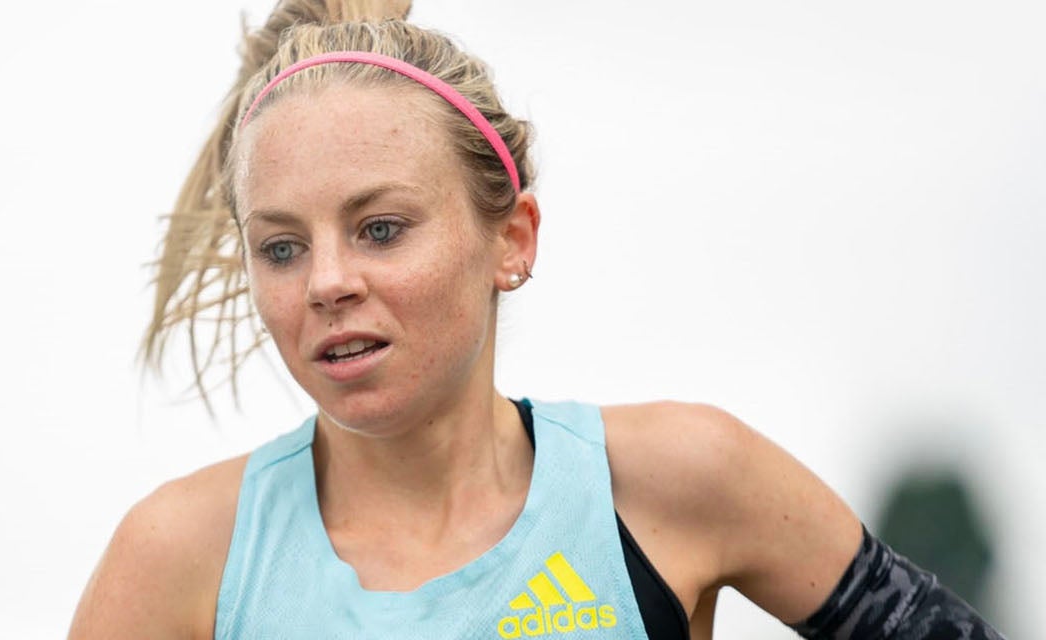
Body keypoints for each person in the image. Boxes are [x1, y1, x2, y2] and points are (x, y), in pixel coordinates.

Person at [68, 1, 1003, 638]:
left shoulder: (677, 483)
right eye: (282, 247)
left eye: (380, 228)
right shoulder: (184, 558)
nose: (328, 282)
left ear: (511, 240)